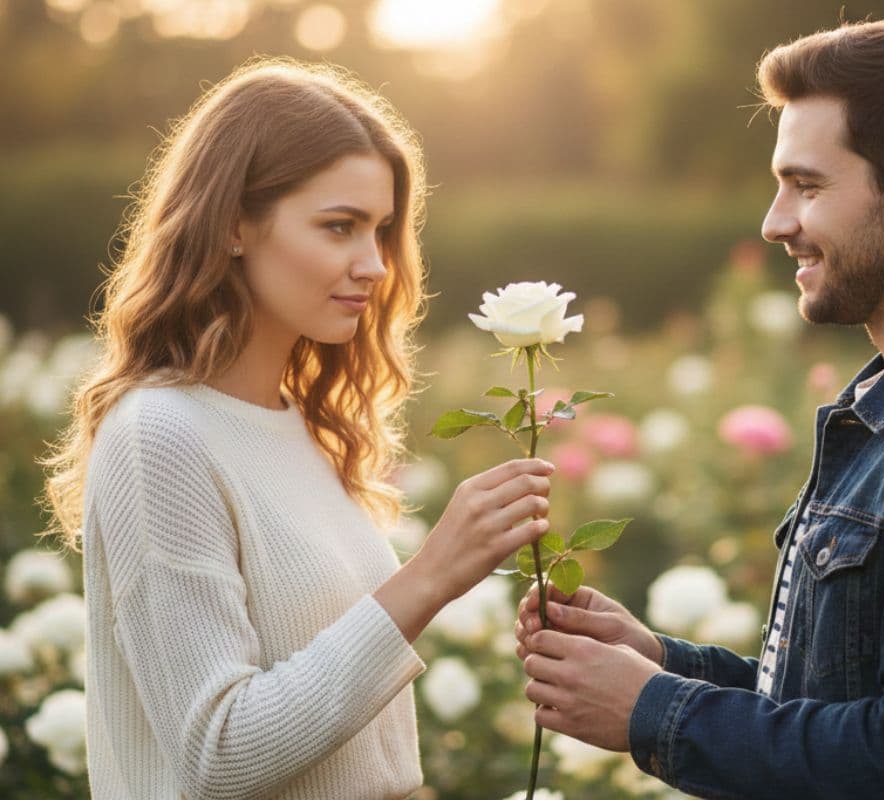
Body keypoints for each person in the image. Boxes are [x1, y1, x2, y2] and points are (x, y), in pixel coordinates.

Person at [516, 15, 884, 799]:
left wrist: (653, 710)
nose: (775, 223)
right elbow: (836, 703)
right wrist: (662, 664)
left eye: (807, 186)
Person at [42, 58, 555, 799]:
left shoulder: (301, 427)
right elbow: (220, 753)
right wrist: (433, 574)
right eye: (339, 227)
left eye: (380, 230)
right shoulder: (159, 436)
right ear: (233, 226)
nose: (375, 265)